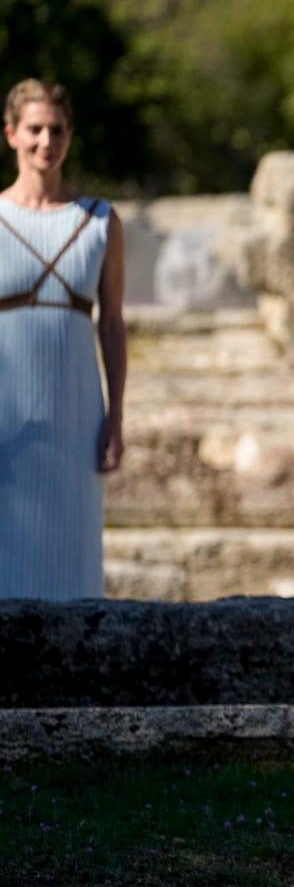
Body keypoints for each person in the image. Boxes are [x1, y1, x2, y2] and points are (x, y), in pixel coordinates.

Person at [0, 79, 125, 600]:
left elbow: (113, 323)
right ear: (11, 135)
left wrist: (115, 416)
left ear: (70, 136)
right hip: (7, 412)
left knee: (72, 561)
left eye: (56, 130)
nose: (45, 141)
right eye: (34, 129)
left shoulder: (99, 221)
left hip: (75, 414)